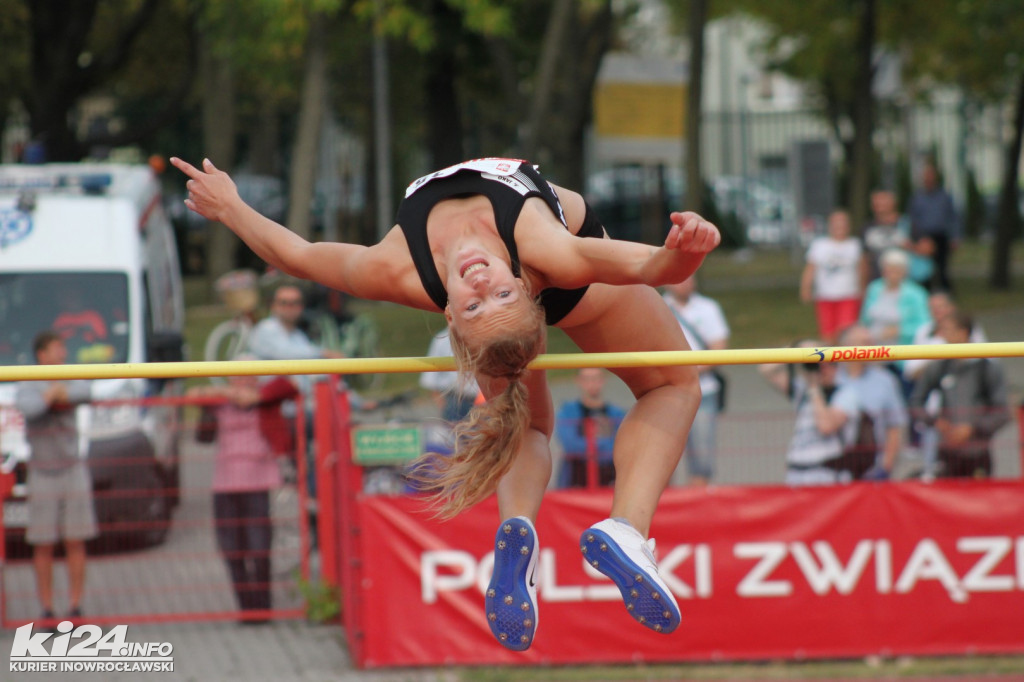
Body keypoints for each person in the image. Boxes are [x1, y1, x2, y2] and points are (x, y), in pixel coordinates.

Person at [172, 155, 720, 649]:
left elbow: (300, 255)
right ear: (451, 319)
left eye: (485, 300)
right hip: (571, 285)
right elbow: (651, 268)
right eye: (487, 300)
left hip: (562, 286)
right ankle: (620, 528)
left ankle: (564, 531)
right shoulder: (542, 250)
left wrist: (232, 208)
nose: (481, 282)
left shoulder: (403, 269)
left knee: (559, 415)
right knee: (667, 387)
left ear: (452, 313)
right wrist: (683, 252)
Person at [189, 369, 298, 623]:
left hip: (259, 480)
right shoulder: (221, 402)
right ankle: (245, 608)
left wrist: (253, 396)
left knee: (259, 545)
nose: (244, 382)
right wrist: (229, 393)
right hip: (225, 483)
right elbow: (193, 394)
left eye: (250, 377)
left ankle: (263, 608)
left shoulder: (266, 398)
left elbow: (290, 384)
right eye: (238, 376)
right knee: (231, 548)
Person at [14, 331, 97, 626]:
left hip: (73, 469)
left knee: (76, 539)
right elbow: (31, 407)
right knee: (43, 542)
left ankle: (75, 607)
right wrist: (52, 394)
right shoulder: (27, 382)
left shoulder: (71, 375)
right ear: (42, 355)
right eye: (57, 348)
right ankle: (47, 610)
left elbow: (86, 392)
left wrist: (59, 393)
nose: (63, 353)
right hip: (42, 472)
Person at [908, 312, 1010, 479]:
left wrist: (973, 428)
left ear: (963, 332)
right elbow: (915, 401)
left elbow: (1003, 411)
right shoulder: (939, 366)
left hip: (978, 451)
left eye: (947, 330)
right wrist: (936, 422)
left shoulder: (987, 368)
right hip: (946, 451)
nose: (942, 336)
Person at [759, 340, 861, 485]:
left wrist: (814, 388)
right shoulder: (802, 389)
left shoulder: (846, 394)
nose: (824, 370)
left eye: (829, 364)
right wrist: (796, 350)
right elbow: (766, 368)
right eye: (819, 365)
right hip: (797, 471)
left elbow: (826, 426)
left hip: (827, 473)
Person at [662, 275, 730, 486]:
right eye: (679, 277)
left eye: (688, 277)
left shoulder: (708, 308)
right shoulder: (656, 307)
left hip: (703, 391)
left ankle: (696, 508)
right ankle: (663, 511)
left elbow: (719, 349)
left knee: (701, 460)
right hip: (664, 394)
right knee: (659, 458)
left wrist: (684, 372)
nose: (683, 282)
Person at [836, 325, 909, 481]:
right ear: (846, 347)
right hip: (834, 467)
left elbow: (895, 426)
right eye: (864, 343)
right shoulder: (831, 377)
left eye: (871, 342)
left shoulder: (885, 380)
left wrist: (886, 466)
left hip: (873, 467)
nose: (871, 347)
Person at [800, 209, 866, 345]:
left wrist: (862, 289)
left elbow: (862, 269)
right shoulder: (820, 245)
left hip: (848, 295)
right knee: (827, 332)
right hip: (825, 296)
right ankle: (829, 364)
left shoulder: (854, 245)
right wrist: (806, 287)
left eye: (843, 223)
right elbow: (811, 268)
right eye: (836, 223)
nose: (839, 227)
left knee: (846, 331)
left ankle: (845, 364)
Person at [554, 368, 627, 488]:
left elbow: (624, 444)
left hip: (609, 479)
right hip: (576, 480)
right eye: (587, 379)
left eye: (595, 379)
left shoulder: (616, 413)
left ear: (602, 380)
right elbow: (570, 444)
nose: (592, 383)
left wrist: (591, 447)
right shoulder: (567, 412)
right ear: (579, 381)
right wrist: (604, 446)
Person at [859, 248, 931, 348]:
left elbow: (925, 324)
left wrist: (900, 330)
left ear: (904, 271)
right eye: (889, 269)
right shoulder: (874, 288)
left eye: (896, 270)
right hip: (872, 347)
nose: (892, 274)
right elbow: (864, 320)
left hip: (903, 350)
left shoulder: (916, 293)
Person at [907, 160, 960, 292]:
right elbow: (912, 219)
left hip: (941, 236)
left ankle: (945, 293)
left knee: (942, 267)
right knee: (924, 268)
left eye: (931, 175)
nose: (928, 178)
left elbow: (953, 217)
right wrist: (916, 239)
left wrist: (956, 236)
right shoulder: (916, 198)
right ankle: (926, 293)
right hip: (923, 237)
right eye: (926, 175)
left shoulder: (944, 197)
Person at [863, 189, 933, 286]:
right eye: (875, 201)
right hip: (878, 285)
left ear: (893, 203)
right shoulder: (867, 228)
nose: (878, 204)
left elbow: (929, 248)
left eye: (882, 200)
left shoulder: (907, 224)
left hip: (905, 284)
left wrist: (910, 246)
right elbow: (863, 260)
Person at [420, 326, 481, 425]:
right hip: (455, 401)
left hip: (483, 399)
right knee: (454, 436)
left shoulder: (483, 334)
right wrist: (443, 405)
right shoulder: (441, 340)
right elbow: (430, 379)